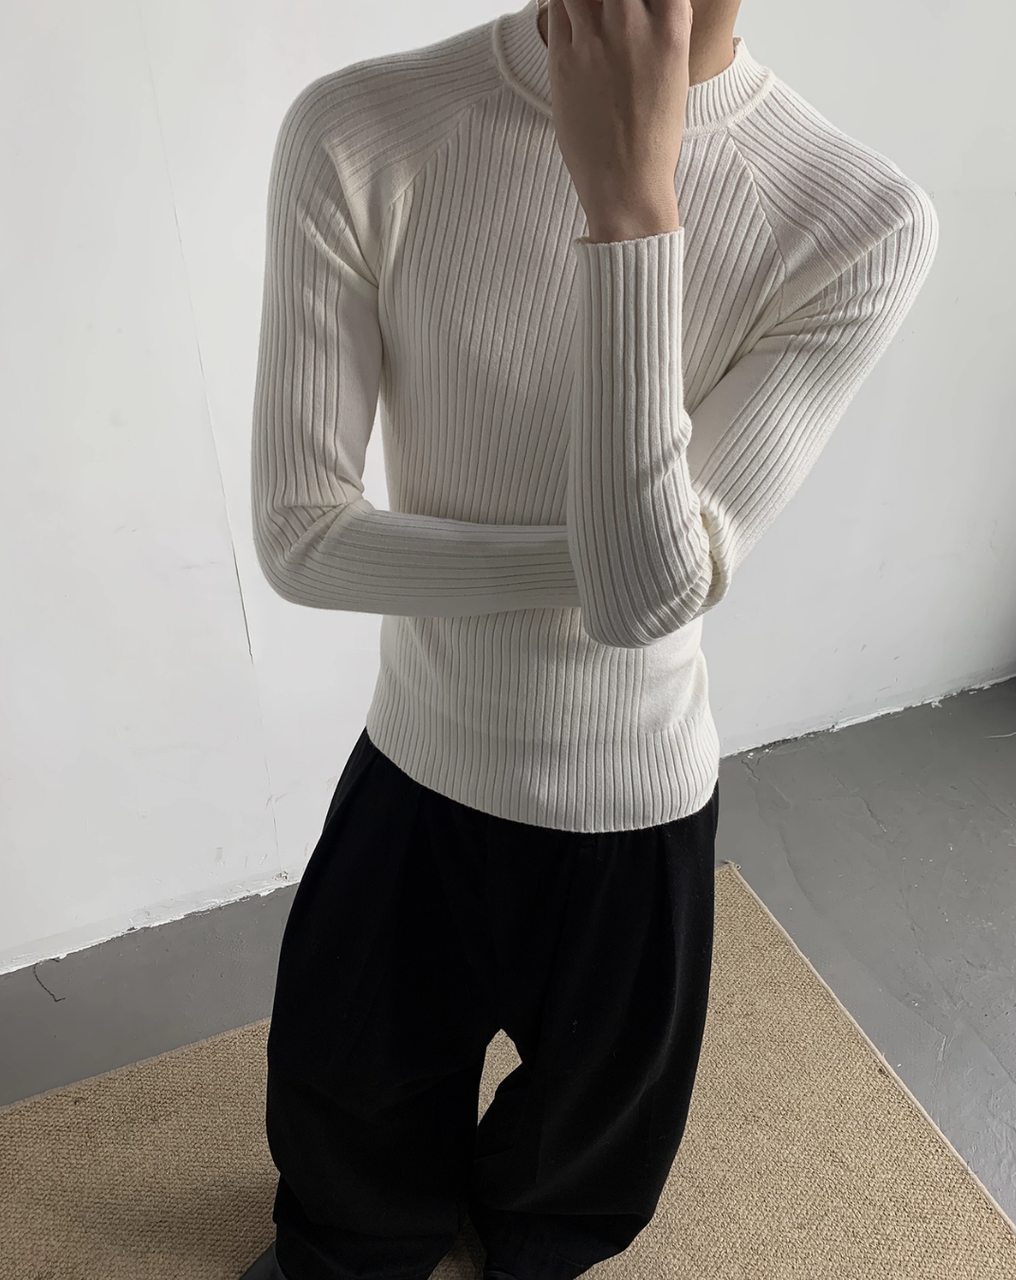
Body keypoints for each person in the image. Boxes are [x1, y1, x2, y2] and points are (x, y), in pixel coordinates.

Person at [242, 1, 939, 1277]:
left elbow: (637, 607)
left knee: (572, 1191)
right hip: (418, 767)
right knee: (344, 1172)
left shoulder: (857, 221)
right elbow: (303, 539)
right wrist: (629, 559)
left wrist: (630, 209)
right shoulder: (360, 130)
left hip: (636, 809)